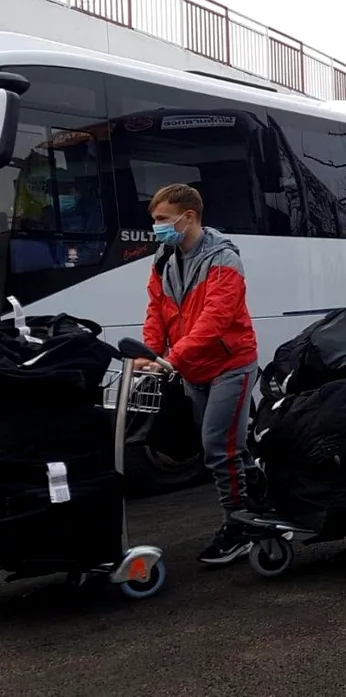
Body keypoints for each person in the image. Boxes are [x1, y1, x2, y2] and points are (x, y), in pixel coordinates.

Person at [138, 184, 262, 565]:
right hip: (194, 370)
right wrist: (149, 352)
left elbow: (215, 320)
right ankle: (259, 492)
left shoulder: (223, 260)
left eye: (162, 220)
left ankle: (239, 525)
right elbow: (156, 310)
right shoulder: (164, 259)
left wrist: (172, 358)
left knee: (217, 448)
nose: (156, 228)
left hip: (231, 365)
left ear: (187, 216)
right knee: (226, 447)